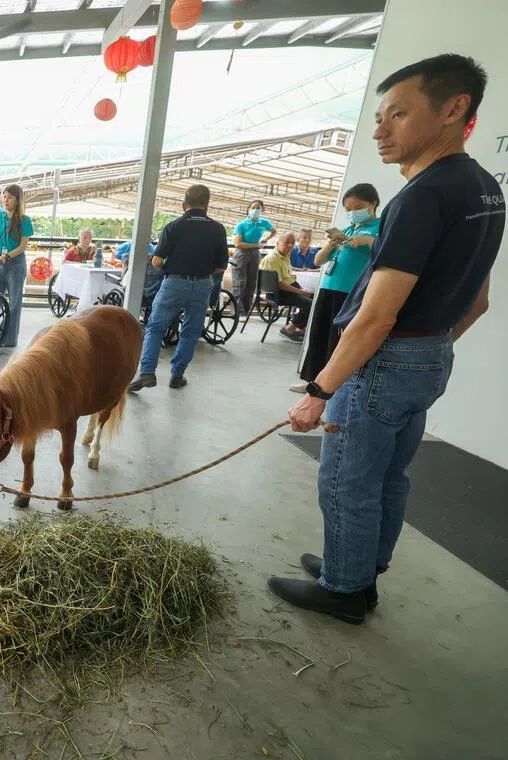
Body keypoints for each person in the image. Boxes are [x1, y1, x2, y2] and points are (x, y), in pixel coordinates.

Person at [273, 54, 502, 624]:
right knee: (388, 473)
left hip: (385, 359)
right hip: (429, 355)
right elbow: (479, 300)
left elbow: (376, 319)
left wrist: (320, 390)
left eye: (398, 114)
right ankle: (360, 568)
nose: (380, 130)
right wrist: (428, 348)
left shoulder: (422, 196)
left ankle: (344, 589)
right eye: (380, 117)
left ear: (454, 109)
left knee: (347, 475)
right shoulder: (483, 188)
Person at [127, 185, 229, 391]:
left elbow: (156, 261)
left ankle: (147, 372)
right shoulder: (218, 229)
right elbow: (222, 266)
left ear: (184, 205)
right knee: (191, 331)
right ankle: (177, 375)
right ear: (207, 205)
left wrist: (171, 268)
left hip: (174, 282)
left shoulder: (173, 226)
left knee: (155, 327)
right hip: (202, 284)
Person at [291, 184, 381, 393]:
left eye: (357, 207)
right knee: (319, 336)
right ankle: (313, 382)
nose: (352, 213)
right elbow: (318, 260)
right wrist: (332, 244)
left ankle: (333, 387)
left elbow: (387, 250)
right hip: (328, 288)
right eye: (348, 209)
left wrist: (369, 240)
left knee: (339, 341)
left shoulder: (381, 228)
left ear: (372, 205)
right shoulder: (347, 229)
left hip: (351, 293)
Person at [0, 184, 33, 347]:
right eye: (4, 196)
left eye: (9, 197)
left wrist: (8, 255)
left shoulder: (24, 220)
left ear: (18, 200)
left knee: (14, 302)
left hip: (16, 264)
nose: (5, 199)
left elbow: (23, 246)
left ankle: (9, 339)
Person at [258, 232, 313, 342]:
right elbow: (279, 284)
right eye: (286, 242)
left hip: (287, 289)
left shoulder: (285, 256)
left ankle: (300, 329)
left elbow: (288, 277)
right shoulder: (273, 259)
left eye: (292, 243)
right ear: (277, 243)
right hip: (278, 293)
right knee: (310, 304)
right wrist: (300, 292)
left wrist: (300, 289)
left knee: (316, 299)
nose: (290, 245)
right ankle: (288, 330)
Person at [232, 199, 276, 313]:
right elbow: (238, 243)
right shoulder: (242, 224)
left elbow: (274, 231)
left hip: (255, 253)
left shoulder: (264, 223)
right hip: (241, 253)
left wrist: (266, 239)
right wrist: (257, 244)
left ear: (262, 210)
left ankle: (246, 310)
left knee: (252, 282)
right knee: (240, 281)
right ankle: (237, 311)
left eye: (258, 208)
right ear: (248, 209)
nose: (255, 210)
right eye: (253, 208)